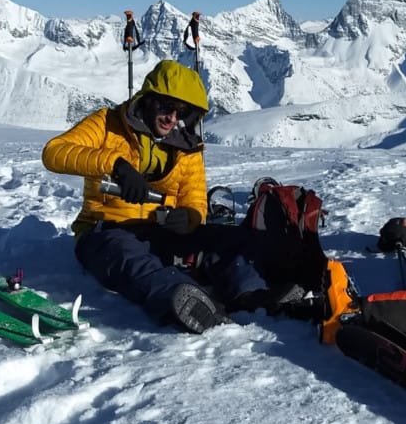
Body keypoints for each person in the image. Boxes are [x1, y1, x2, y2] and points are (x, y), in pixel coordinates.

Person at [42, 59, 279, 333]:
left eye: (182, 112)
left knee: (230, 239)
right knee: (131, 260)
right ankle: (183, 300)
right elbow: (54, 152)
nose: (172, 118)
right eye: (166, 107)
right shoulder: (107, 123)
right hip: (104, 232)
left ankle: (252, 295)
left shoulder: (187, 147)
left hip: (161, 233)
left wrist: (189, 218)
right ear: (148, 100)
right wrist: (115, 165)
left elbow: (195, 198)